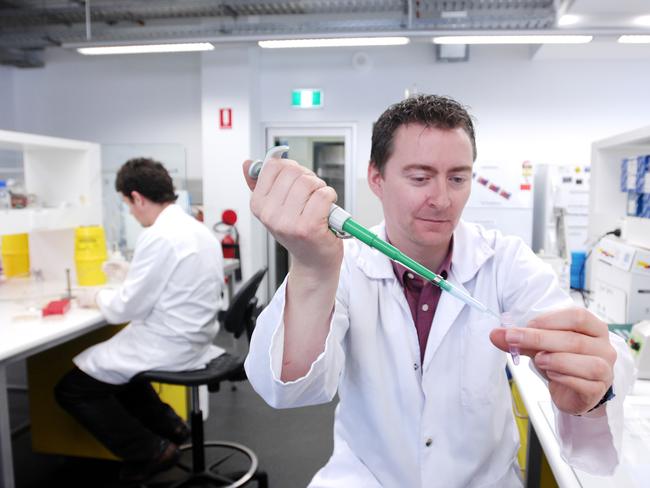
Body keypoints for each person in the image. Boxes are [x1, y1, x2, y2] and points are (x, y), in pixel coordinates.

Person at [242, 95, 634, 487]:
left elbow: (599, 352)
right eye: (420, 177)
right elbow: (289, 387)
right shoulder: (342, 263)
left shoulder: (504, 260)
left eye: (458, 178)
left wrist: (594, 385)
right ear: (376, 178)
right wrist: (311, 266)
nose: (443, 199)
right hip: (370, 477)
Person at [55, 158, 225, 483]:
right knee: (118, 373)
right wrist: (131, 273)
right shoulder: (196, 229)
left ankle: (150, 450)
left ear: (136, 197)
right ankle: (170, 426)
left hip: (170, 344)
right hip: (195, 339)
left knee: (73, 389)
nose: (131, 214)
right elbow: (173, 283)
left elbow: (123, 309)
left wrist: (96, 297)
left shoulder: (159, 234)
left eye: (128, 205)